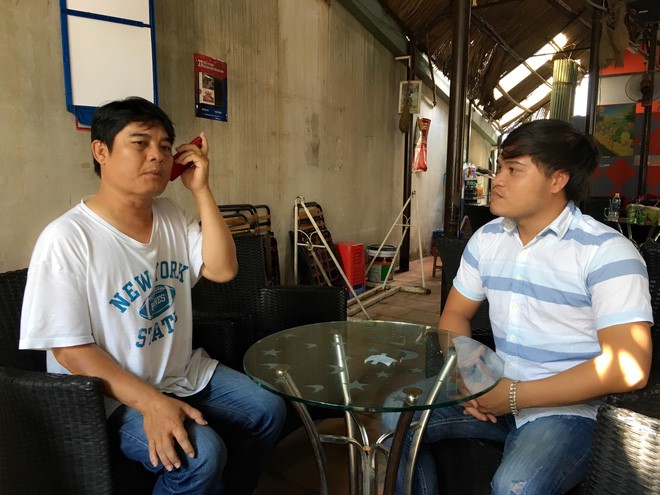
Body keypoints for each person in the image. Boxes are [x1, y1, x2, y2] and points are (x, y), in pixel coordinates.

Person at [19, 96, 286, 495]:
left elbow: (223, 269)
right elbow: (71, 351)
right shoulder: (67, 239)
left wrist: (201, 190)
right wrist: (152, 403)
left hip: (178, 374)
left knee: (269, 410)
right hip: (107, 395)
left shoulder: (171, 215)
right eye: (140, 143)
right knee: (201, 455)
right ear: (101, 151)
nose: (157, 156)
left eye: (165, 146)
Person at [383, 119, 653, 494]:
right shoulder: (488, 239)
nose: (497, 180)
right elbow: (455, 314)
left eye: (513, 170)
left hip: (568, 410)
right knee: (395, 414)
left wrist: (511, 396)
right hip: (495, 388)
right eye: (499, 167)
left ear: (557, 180)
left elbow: (629, 368)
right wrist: (470, 377)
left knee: (516, 485)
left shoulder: (607, 252)